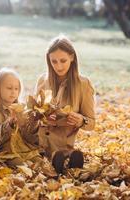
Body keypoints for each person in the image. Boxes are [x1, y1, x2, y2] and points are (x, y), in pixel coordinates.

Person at [35, 35, 96, 174]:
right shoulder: (42, 81)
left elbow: (92, 123)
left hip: (62, 142)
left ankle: (65, 160)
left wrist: (81, 120)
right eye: (54, 61)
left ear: (72, 57)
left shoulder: (83, 85)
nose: (58, 66)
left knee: (59, 156)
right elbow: (33, 114)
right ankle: (53, 160)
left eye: (63, 60)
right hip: (38, 138)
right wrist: (42, 117)